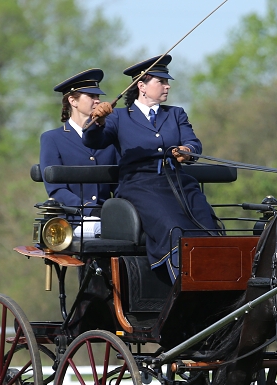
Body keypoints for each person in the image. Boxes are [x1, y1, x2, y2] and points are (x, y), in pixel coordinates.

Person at [83, 55, 219, 280]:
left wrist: (187, 150)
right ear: (141, 86)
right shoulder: (118, 117)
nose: (167, 86)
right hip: (139, 185)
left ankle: (217, 282)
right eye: (161, 81)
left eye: (168, 82)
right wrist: (97, 122)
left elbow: (194, 143)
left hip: (177, 182)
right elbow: (93, 141)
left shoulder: (175, 114)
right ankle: (184, 285)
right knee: (173, 227)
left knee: (208, 225)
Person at [40, 68, 119, 237]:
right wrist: (89, 210)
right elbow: (56, 190)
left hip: (109, 216)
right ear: (72, 101)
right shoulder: (52, 139)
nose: (97, 101)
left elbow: (119, 185)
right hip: (71, 220)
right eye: (91, 96)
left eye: (98, 97)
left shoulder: (109, 137)